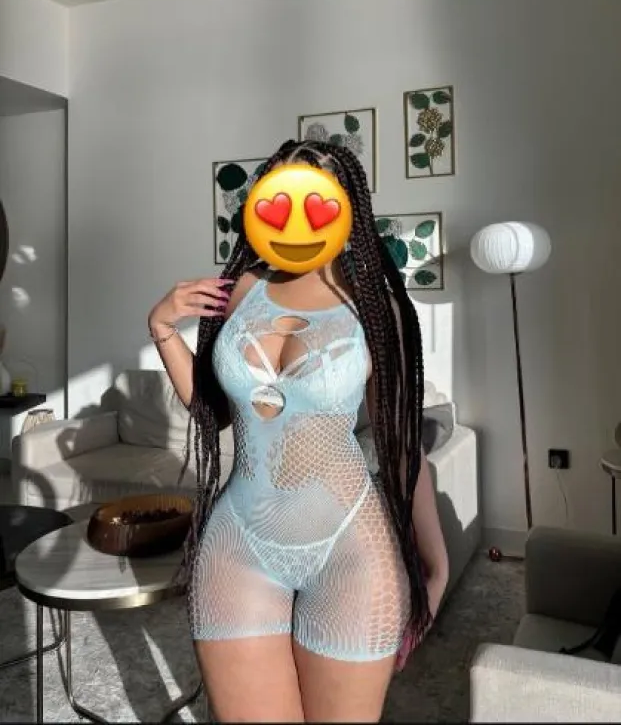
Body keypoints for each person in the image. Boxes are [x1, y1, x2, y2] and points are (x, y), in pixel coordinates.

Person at [148, 139, 449, 723]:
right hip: (239, 541)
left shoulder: (373, 306)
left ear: (345, 208)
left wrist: (435, 567)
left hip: (348, 549)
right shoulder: (242, 290)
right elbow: (215, 414)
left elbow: (402, 448)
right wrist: (162, 326)